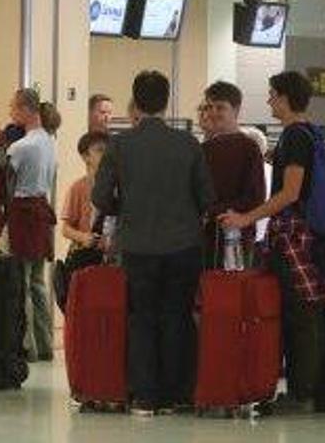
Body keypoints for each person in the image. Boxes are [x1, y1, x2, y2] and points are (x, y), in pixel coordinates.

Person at [93, 70, 213, 417]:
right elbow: (207, 197)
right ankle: (176, 394)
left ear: (136, 101)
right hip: (184, 245)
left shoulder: (120, 144)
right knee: (177, 315)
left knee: (142, 318)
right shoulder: (188, 143)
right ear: (166, 101)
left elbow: (101, 196)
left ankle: (145, 396)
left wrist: (126, 207)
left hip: (138, 245)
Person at [219, 71, 325, 414]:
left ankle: (303, 393)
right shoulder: (310, 133)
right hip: (306, 235)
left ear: (285, 98)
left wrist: (246, 218)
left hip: (294, 236)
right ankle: (304, 390)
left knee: (300, 315)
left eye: (272, 94)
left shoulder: (295, 137)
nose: (269, 100)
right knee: (301, 313)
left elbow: (290, 192)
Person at [7, 88, 59, 363]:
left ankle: (27, 346)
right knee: (38, 282)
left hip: (22, 213)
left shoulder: (20, 147)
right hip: (42, 211)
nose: (10, 113)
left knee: (21, 283)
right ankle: (46, 343)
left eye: (13, 108)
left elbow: (8, 184)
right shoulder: (50, 142)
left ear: (26, 110)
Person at [200, 81, 266, 266]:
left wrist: (214, 210)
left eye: (220, 107)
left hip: (236, 237)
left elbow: (255, 197)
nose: (213, 112)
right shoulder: (203, 149)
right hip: (205, 236)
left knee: (233, 283)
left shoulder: (249, 148)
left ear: (236, 110)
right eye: (209, 107)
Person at [61, 131, 110, 251]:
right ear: (85, 157)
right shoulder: (78, 187)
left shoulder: (116, 186)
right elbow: (66, 228)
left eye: (108, 150)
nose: (105, 155)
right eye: (100, 150)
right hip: (86, 251)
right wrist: (82, 237)